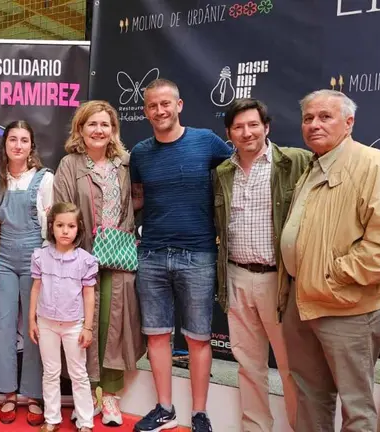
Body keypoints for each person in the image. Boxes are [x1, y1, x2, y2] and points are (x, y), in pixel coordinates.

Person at [279, 89, 380, 432]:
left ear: (349, 122)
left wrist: (335, 276)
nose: (314, 125)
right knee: (311, 398)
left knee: (356, 407)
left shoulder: (372, 163)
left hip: (347, 308)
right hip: (302, 301)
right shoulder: (313, 166)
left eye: (325, 117)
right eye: (308, 118)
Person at [130, 78, 232, 432]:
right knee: (157, 335)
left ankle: (199, 413)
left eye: (165, 104)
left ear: (179, 105)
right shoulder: (140, 153)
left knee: (198, 337)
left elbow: (239, 174)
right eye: (153, 106)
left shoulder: (207, 142)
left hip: (199, 254)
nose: (160, 111)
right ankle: (164, 409)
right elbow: (138, 197)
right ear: (145, 111)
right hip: (153, 255)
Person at [213, 98, 310, 431]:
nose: (246, 132)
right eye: (238, 127)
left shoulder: (294, 162)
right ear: (229, 133)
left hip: (279, 281)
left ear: (266, 127)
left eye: (253, 125)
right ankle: (255, 427)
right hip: (237, 277)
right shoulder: (223, 172)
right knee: (248, 364)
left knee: (291, 367)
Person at [54, 100, 145, 427]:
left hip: (119, 258)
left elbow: (139, 201)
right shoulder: (69, 165)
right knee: (84, 328)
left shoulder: (125, 164)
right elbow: (61, 210)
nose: (98, 130)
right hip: (82, 258)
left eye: (105, 124)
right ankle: (85, 396)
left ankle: (110, 398)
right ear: (80, 128)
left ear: (113, 130)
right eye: (92, 124)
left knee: (114, 326)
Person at [0, 120, 53, 425]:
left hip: (34, 258)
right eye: (12, 139)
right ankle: (8, 391)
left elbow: (50, 228)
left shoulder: (44, 179)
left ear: (31, 146)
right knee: (0, 324)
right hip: (2, 260)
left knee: (34, 326)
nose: (17, 145)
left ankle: (34, 393)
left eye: (23, 140)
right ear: (5, 145)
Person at [28, 202, 98, 432]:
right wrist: (31, 320)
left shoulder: (85, 260)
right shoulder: (40, 256)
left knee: (79, 374)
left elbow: (89, 296)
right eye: (60, 225)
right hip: (45, 323)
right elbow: (36, 288)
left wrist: (88, 327)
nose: (65, 231)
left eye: (70, 226)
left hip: (74, 325)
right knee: (51, 372)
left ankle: (86, 422)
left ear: (79, 229)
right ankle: (52, 419)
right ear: (52, 227)